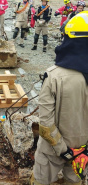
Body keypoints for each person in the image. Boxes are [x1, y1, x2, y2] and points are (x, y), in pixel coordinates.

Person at [30, 11, 88, 185]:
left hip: (52, 151)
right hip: (83, 151)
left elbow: (45, 125)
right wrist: (81, 151)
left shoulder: (54, 76)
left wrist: (64, 150)